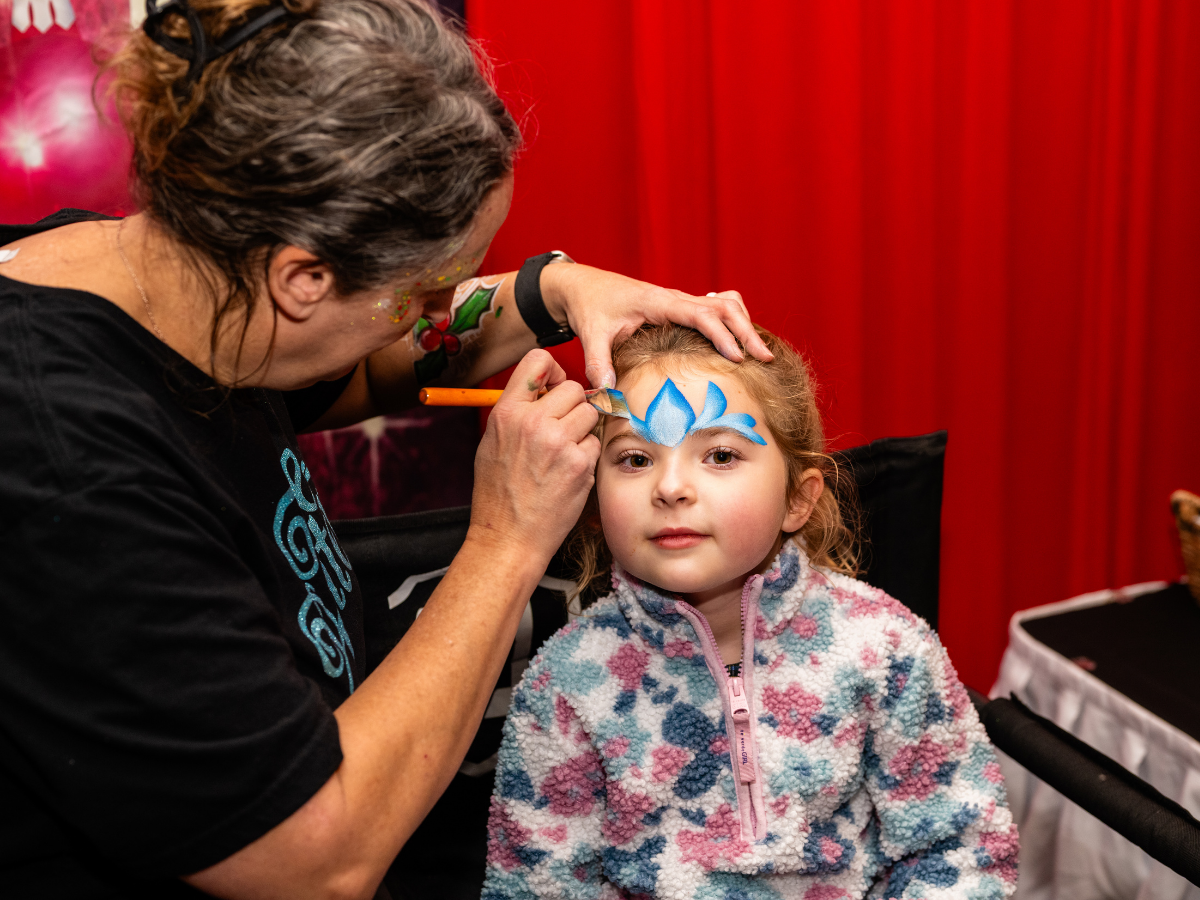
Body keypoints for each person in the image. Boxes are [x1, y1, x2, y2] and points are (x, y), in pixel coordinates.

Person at [0, 1, 774, 897]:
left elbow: (345, 366)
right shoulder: (64, 467)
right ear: (301, 276)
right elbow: (314, 861)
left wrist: (551, 293)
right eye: (423, 290)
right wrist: (507, 542)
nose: (432, 308)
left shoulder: (176, 284)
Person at [483, 324, 1019, 899]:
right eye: (636, 459)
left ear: (797, 498)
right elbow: (534, 884)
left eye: (719, 454)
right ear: (592, 500)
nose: (670, 487)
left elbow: (964, 847)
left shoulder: (887, 648)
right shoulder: (566, 682)